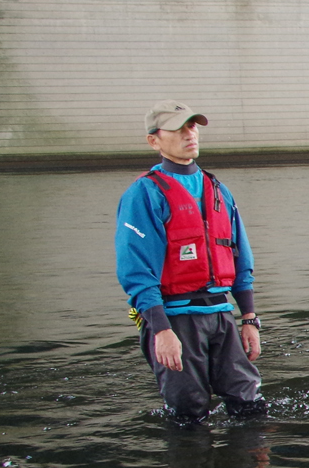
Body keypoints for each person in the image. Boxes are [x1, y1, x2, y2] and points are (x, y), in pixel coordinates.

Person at [113, 100, 266, 423]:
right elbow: (137, 269)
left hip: (220, 314)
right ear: (154, 140)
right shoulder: (145, 193)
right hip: (175, 320)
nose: (189, 134)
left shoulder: (217, 189)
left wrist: (249, 318)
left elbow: (241, 257)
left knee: (249, 404)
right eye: (178, 129)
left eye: (192, 126)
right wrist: (161, 330)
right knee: (189, 413)